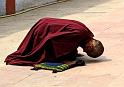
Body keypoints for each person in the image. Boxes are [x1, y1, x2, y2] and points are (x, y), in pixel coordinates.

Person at [4, 17, 104, 66]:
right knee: (34, 55)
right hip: (44, 28)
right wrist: (64, 59)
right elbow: (57, 42)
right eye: (87, 51)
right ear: (90, 46)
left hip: (46, 22)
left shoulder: (86, 33)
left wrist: (72, 52)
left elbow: (68, 42)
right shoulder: (80, 34)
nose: (84, 51)